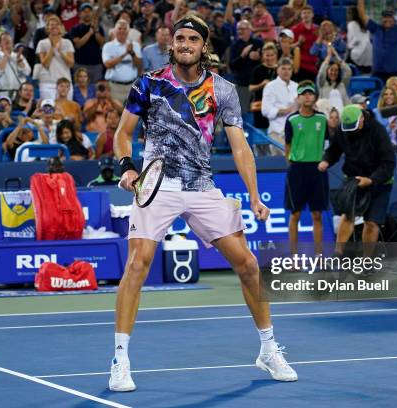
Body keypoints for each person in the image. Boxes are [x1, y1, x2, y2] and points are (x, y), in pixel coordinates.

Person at [109, 15, 297, 392]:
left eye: (192, 38)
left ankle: (268, 349)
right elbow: (122, 135)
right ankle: (120, 359)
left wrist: (256, 195)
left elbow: (240, 146)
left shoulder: (223, 90)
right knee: (137, 264)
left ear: (203, 46)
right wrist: (128, 168)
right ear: (171, 43)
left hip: (201, 185)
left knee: (246, 264)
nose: (184, 43)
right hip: (157, 184)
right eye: (179, 37)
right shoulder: (148, 84)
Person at [318, 104, 395, 257]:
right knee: (348, 216)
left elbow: (388, 163)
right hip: (353, 179)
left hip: (379, 182)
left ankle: (366, 260)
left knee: (371, 223)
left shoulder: (378, 131)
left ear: (361, 119)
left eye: (353, 126)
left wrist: (371, 180)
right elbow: (334, 149)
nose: (350, 130)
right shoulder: (343, 129)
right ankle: (338, 254)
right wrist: (326, 160)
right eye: (347, 127)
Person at [285, 82, 329, 256]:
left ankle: (319, 256)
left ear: (315, 97)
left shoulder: (322, 119)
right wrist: (293, 163)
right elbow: (287, 146)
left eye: (311, 93)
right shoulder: (292, 120)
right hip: (297, 170)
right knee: (295, 214)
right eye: (304, 94)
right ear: (299, 97)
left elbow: (328, 143)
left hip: (317, 169)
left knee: (317, 215)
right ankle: (293, 258)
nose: (307, 96)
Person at [357, 0, 397, 83]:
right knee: (375, 95)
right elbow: (362, 15)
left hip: (395, 72)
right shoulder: (375, 28)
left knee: (396, 95)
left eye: (389, 17)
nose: (387, 19)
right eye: (385, 17)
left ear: (394, 19)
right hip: (378, 72)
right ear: (381, 19)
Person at [261, 57, 299, 155]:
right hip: (277, 133)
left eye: (289, 69)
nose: (286, 72)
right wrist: (287, 110)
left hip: (296, 133)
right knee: (282, 163)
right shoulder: (270, 86)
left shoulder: (297, 86)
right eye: (283, 68)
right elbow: (265, 110)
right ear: (277, 69)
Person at [102, 19, 142, 104]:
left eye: (125, 29)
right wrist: (125, 53)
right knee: (115, 115)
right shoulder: (108, 46)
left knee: (131, 116)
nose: (122, 31)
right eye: (119, 28)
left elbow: (139, 65)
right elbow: (107, 65)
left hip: (132, 86)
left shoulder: (135, 45)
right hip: (114, 87)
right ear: (114, 31)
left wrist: (132, 53)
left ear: (129, 31)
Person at [35, 15, 75, 100]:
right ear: (47, 27)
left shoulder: (67, 42)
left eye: (56, 24)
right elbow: (45, 64)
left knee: (65, 110)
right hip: (47, 83)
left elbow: (71, 64)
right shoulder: (42, 43)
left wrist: (61, 52)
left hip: (65, 81)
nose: (54, 26)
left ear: (60, 27)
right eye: (51, 24)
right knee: (48, 110)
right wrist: (52, 48)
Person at [69, 2, 105, 84]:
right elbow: (78, 44)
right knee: (79, 89)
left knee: (96, 91)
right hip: (79, 65)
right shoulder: (75, 29)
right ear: (80, 14)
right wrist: (90, 33)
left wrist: (95, 30)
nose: (87, 13)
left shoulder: (99, 28)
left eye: (89, 11)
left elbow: (101, 43)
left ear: (92, 13)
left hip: (96, 65)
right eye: (84, 11)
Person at [0, 32, 31, 100]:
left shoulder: (18, 56)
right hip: (2, 94)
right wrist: (5, 56)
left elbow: (27, 72)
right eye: (5, 40)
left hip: (18, 94)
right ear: (0, 44)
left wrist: (19, 61)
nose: (7, 42)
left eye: (9, 41)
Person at [316, 46, 351, 111]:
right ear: (327, 71)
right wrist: (328, 56)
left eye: (336, 70)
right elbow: (321, 73)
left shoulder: (342, 84)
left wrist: (336, 55)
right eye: (331, 70)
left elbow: (348, 71)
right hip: (327, 115)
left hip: (342, 117)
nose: (333, 72)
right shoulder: (322, 83)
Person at [374, 86, 397, 151]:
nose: (389, 96)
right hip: (383, 147)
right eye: (386, 94)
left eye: (391, 94)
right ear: (382, 97)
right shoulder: (376, 113)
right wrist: (389, 128)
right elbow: (376, 134)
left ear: (395, 96)